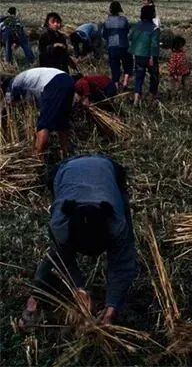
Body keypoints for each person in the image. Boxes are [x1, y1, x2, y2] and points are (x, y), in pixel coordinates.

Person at [19, 155, 136, 328]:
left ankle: (115, 303)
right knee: (57, 251)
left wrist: (110, 313)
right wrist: (78, 288)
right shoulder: (60, 224)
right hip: (65, 170)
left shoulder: (116, 224)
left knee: (124, 247)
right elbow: (62, 255)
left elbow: (122, 264)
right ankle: (34, 300)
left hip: (108, 169)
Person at [2, 67, 74, 155]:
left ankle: (36, 156)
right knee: (62, 121)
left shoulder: (12, 84)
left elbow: (5, 111)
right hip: (67, 80)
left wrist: (4, 133)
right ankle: (67, 153)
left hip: (53, 82)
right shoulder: (26, 82)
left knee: (44, 124)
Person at [129, 5, 160, 106]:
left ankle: (136, 100)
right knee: (154, 77)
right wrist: (152, 57)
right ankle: (151, 98)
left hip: (138, 55)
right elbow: (154, 45)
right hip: (149, 56)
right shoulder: (154, 29)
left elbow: (130, 36)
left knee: (139, 77)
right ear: (152, 14)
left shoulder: (137, 26)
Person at [103, 1, 133, 90]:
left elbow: (104, 35)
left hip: (112, 47)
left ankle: (115, 86)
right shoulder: (123, 20)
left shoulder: (107, 21)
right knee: (128, 63)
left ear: (110, 9)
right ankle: (125, 82)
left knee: (114, 67)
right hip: (123, 45)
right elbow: (127, 31)